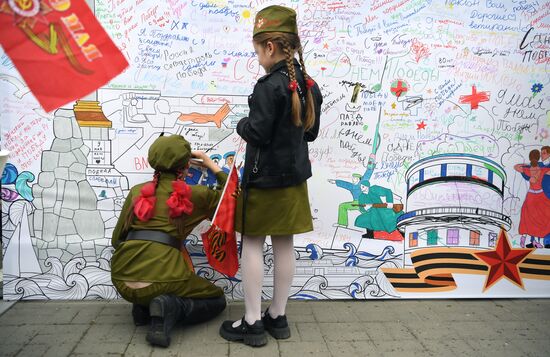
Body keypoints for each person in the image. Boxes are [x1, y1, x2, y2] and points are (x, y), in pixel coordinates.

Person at [218, 5, 322, 347]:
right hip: (293, 183)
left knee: (251, 243)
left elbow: (257, 134)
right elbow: (310, 134)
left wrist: (240, 124)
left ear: (271, 47)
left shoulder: (267, 87)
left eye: (258, 51)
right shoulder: (308, 85)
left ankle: (251, 322)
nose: (258, 58)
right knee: (284, 245)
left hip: (263, 183)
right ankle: (277, 317)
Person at [110, 135, 228, 348]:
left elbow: (117, 240)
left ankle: (143, 306)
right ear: (185, 166)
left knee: (153, 284)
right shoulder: (196, 194)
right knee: (218, 299)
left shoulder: (137, 191)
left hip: (121, 279)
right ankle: (167, 306)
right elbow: (230, 195)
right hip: (166, 278)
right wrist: (209, 163)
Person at [514, 149, 550, 249]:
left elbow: (517, 167)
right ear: (538, 157)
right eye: (541, 154)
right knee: (539, 218)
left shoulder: (530, 169)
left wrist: (527, 175)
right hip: (540, 196)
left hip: (532, 196)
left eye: (545, 153)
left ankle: (532, 240)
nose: (543, 155)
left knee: (532, 218)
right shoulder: (542, 169)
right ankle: (534, 241)